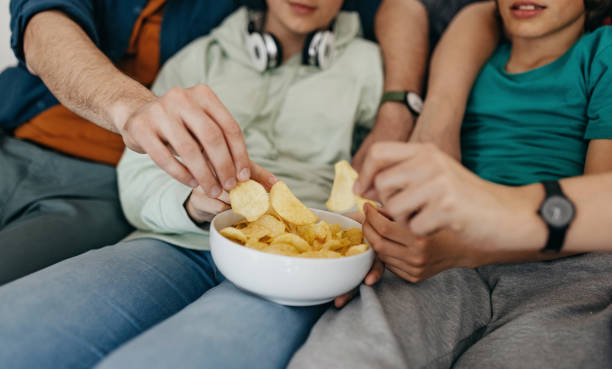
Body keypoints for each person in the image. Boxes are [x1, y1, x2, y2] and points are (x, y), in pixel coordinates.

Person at [0, 0, 416, 368]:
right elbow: (137, 172)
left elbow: (398, 175)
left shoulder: (371, 67)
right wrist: (193, 206)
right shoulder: (198, 57)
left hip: (294, 271)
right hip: (172, 242)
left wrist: (363, 228)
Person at [290, 1, 612, 368]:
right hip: (445, 257)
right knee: (341, 356)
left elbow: (598, 202)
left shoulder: (603, 52)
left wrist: (474, 239)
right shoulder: (471, 54)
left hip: (565, 268)